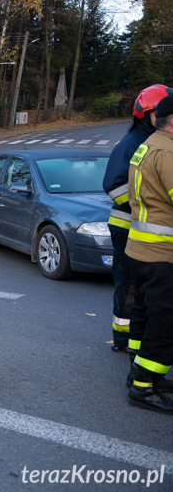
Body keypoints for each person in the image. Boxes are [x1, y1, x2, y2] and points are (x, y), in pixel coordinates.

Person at [102, 84, 167, 353]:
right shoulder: (130, 144)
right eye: (157, 112)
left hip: (145, 229)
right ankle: (122, 339)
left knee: (143, 289)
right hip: (127, 225)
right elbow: (113, 184)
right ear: (145, 114)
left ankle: (137, 337)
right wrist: (141, 204)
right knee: (127, 286)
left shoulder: (155, 141)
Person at [124, 90, 173, 413]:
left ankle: (140, 374)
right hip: (161, 255)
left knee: (144, 314)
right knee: (165, 322)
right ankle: (144, 386)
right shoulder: (168, 153)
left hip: (140, 249)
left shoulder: (146, 146)